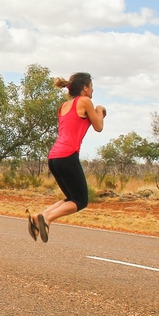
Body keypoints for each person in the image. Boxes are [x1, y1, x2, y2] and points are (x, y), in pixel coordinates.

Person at [29, 72, 106, 243]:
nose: (92, 89)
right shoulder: (85, 101)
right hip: (68, 155)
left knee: (71, 198)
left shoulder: (64, 106)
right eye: (91, 86)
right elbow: (99, 127)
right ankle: (47, 219)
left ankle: (39, 216)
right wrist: (99, 110)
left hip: (54, 158)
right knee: (80, 200)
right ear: (85, 88)